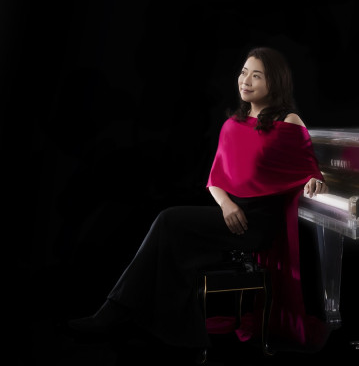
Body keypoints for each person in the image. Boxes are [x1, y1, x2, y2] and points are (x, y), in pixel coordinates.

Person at [68, 46, 329, 358]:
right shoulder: (232, 125)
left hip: (258, 223)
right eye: (243, 72)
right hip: (231, 213)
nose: (245, 80)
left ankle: (115, 314)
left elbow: (310, 168)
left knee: (168, 222)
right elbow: (215, 180)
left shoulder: (289, 121)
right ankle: (155, 324)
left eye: (256, 75)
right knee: (171, 232)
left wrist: (315, 180)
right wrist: (227, 205)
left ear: (274, 82)